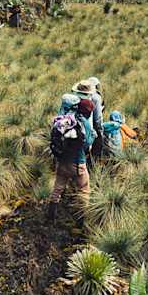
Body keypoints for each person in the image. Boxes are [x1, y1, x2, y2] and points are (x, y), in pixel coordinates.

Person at [47, 93, 96, 223]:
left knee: (57, 188)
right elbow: (87, 143)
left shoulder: (61, 120)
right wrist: (93, 136)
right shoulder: (83, 122)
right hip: (78, 163)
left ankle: (51, 217)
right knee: (84, 191)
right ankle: (81, 221)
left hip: (62, 161)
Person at [72, 79, 103, 160]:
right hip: (86, 127)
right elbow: (97, 118)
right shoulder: (95, 98)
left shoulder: (73, 98)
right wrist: (100, 131)